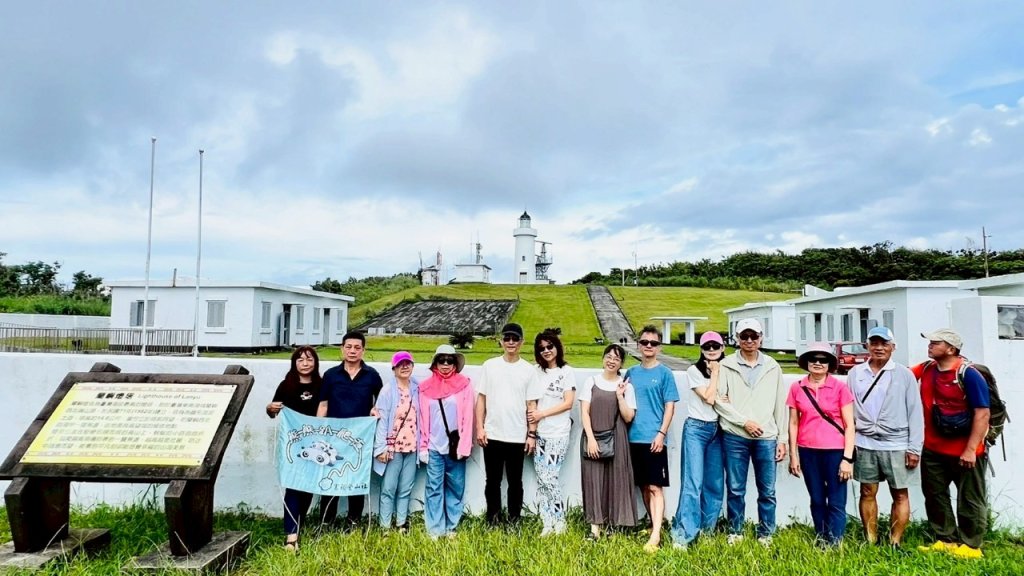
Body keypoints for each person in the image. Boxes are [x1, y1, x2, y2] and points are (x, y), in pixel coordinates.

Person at [912, 329, 990, 559]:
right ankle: (945, 539)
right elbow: (901, 375)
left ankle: (971, 545)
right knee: (934, 494)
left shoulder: (969, 374)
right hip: (933, 447)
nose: (930, 346)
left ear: (951, 349)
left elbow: (982, 413)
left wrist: (970, 450)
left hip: (966, 450)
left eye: (936, 343)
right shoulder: (927, 368)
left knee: (970, 497)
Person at [714, 318, 787, 547]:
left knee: (767, 490)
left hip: (766, 437)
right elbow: (718, 401)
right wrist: (744, 422)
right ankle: (735, 530)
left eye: (753, 336)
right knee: (735, 488)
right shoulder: (726, 364)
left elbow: (780, 404)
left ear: (761, 338)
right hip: (735, 435)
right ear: (737, 338)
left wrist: (782, 438)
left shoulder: (772, 366)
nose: (749, 340)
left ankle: (766, 532)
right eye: (744, 336)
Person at [849, 326, 923, 548]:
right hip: (865, 442)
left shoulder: (904, 374)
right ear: (867, 346)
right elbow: (849, 408)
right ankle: (870, 539)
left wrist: (914, 448)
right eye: (874, 343)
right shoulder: (855, 373)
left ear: (893, 347)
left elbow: (915, 412)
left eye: (884, 344)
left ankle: (895, 541)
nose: (879, 348)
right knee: (866, 491)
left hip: (897, 444)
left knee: (900, 494)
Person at [786, 342, 855, 547]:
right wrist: (793, 455)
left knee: (836, 499)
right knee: (816, 498)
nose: (817, 363)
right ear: (806, 362)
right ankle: (821, 537)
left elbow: (849, 425)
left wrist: (847, 458)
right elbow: (793, 423)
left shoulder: (840, 387)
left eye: (823, 360)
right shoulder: (797, 387)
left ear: (829, 364)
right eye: (813, 359)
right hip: (808, 450)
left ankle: (835, 541)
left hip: (835, 450)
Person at [316, 331, 383, 529]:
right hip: (333, 439)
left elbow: (381, 403)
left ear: (363, 350)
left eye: (357, 347)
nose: (352, 351)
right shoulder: (330, 375)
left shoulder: (372, 376)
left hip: (360, 439)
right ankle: (326, 522)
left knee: (356, 479)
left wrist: (375, 410)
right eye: (348, 347)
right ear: (342, 349)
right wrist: (319, 432)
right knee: (330, 478)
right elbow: (323, 405)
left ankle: (353, 522)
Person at [624, 325, 680, 553]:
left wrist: (661, 434)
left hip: (655, 438)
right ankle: (653, 523)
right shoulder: (631, 373)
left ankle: (656, 536)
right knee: (644, 486)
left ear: (659, 347)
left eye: (653, 343)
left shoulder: (665, 373)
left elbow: (670, 407)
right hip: (633, 438)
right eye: (645, 342)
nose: (649, 346)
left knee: (656, 487)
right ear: (638, 345)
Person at [475, 322, 535, 526]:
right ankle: (493, 518)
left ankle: (514, 519)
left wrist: (531, 434)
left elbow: (531, 405)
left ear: (522, 342)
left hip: (517, 435)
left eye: (515, 339)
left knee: (515, 481)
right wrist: (480, 428)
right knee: (492, 481)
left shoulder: (528, 370)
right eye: (507, 338)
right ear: (501, 341)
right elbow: (481, 399)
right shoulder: (490, 366)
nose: (511, 342)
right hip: (492, 433)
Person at [670, 332, 726, 550]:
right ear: (701, 349)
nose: (711, 350)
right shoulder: (694, 371)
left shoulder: (728, 370)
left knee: (715, 484)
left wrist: (719, 380)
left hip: (718, 429)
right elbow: (710, 398)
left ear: (722, 347)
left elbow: (730, 399)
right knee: (693, 483)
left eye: (715, 346)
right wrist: (715, 374)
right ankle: (684, 534)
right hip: (696, 428)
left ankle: (707, 529)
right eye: (707, 346)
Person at [267, 346, 324, 552]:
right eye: (300, 360)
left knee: (307, 487)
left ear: (315, 363)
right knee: (293, 486)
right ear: (294, 363)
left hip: (315, 445)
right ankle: (291, 536)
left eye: (309, 360)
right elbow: (273, 411)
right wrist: (270, 408)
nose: (305, 364)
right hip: (291, 445)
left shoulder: (322, 385)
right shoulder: (286, 385)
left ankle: (299, 524)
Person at [580, 344, 637, 541]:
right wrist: (590, 439)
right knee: (593, 480)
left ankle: (614, 525)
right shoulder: (591, 381)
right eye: (609, 356)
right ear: (603, 358)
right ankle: (595, 528)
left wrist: (620, 396)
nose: (611, 361)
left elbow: (629, 417)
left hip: (618, 437)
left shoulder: (626, 386)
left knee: (617, 480)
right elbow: (584, 412)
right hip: (593, 435)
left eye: (616, 358)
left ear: (621, 363)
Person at [418, 344, 475, 539]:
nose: (445, 364)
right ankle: (435, 529)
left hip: (455, 446)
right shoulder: (425, 387)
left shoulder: (464, 385)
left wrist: (464, 445)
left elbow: (468, 417)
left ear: (455, 364)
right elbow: (422, 418)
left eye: (449, 361)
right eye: (441, 360)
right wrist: (423, 447)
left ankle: (452, 527)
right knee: (433, 488)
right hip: (433, 446)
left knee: (455, 487)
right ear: (435, 363)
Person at [526, 331, 577, 536]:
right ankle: (547, 522)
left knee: (550, 477)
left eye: (550, 346)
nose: (546, 351)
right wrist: (532, 432)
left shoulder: (566, 371)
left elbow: (568, 402)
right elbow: (531, 402)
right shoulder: (535, 371)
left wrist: (542, 414)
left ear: (557, 347)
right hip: (540, 434)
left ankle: (560, 519)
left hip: (558, 433)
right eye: (542, 348)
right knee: (542, 479)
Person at [373, 351, 420, 532]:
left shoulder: (417, 388)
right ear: (394, 369)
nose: (405, 367)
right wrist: (380, 448)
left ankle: (401, 523)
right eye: (400, 364)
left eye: (408, 363)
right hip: (393, 448)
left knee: (406, 488)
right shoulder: (387, 391)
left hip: (412, 447)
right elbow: (382, 420)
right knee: (388, 488)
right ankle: (385, 527)